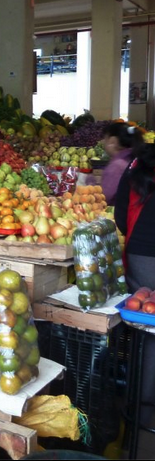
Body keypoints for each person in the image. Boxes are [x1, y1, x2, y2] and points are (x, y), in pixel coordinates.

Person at [115, 143, 155, 424]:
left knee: (148, 333)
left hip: (141, 257)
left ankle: (140, 413)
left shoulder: (135, 167)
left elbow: (120, 218)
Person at [101, 122, 142, 205]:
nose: (102, 142)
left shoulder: (117, 166)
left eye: (105, 139)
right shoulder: (133, 158)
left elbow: (104, 196)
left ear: (113, 141)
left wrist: (90, 183)